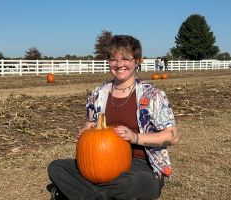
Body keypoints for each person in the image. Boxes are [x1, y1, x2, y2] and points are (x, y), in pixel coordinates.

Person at [47, 35, 179, 200]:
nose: (119, 64)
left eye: (125, 58)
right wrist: (85, 131)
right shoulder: (98, 93)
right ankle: (101, 195)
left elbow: (172, 136)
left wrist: (135, 137)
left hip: (139, 164)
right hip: (100, 161)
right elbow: (90, 123)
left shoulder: (152, 95)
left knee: (141, 182)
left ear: (137, 61)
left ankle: (82, 192)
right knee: (57, 167)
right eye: (113, 59)